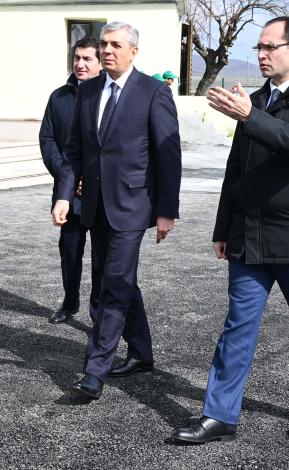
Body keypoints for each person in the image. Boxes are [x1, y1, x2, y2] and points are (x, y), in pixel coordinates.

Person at [172, 16, 289, 444]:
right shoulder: (254, 101)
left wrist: (251, 116)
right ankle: (219, 416)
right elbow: (237, 169)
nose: (262, 55)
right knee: (237, 327)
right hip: (249, 234)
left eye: (270, 47)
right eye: (259, 48)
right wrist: (223, 227)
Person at [53, 21, 181, 400]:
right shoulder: (89, 89)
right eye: (104, 44)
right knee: (120, 280)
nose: (107, 51)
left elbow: (168, 155)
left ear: (133, 52)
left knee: (112, 286)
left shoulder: (154, 91)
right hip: (95, 205)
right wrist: (64, 195)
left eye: (116, 45)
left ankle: (95, 371)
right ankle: (141, 353)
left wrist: (166, 210)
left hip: (133, 206)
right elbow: (74, 150)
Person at [39, 37, 102, 324]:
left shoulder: (108, 97)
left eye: (87, 58)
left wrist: (92, 177)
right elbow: (47, 139)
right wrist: (68, 176)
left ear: (100, 63)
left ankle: (98, 311)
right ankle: (69, 301)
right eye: (77, 57)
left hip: (100, 191)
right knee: (70, 249)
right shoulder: (58, 97)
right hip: (68, 192)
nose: (80, 63)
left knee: (102, 256)